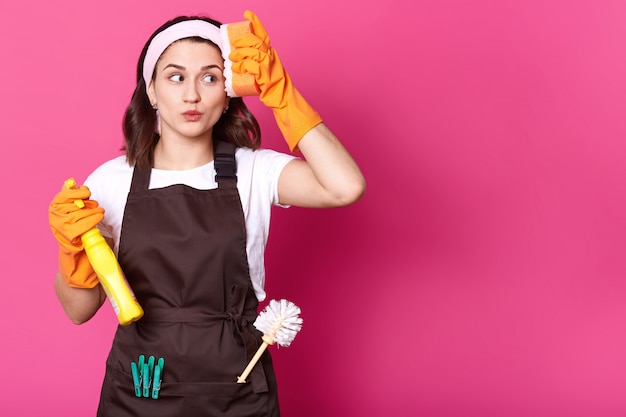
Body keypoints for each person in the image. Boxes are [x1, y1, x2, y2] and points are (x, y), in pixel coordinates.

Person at [48, 10, 365, 416]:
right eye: (176, 77)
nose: (192, 95)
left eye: (210, 77)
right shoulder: (111, 181)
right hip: (140, 391)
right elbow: (79, 311)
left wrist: (284, 96)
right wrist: (73, 252)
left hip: (238, 390)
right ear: (151, 91)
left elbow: (345, 186)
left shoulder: (255, 170)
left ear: (230, 90)